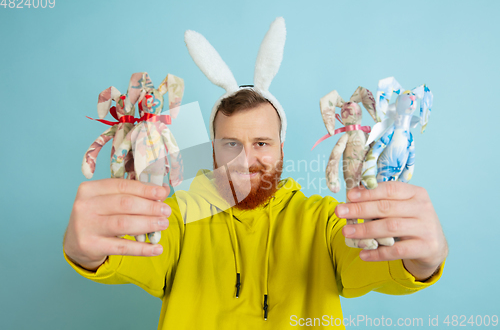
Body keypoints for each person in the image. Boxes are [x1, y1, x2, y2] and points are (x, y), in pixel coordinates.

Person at [63, 17, 447, 329]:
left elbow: (382, 262)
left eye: (261, 143)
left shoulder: (323, 221)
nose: (246, 159)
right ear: (211, 148)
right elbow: (126, 254)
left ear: (282, 146)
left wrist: (423, 260)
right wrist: (85, 252)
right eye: (230, 144)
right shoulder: (175, 216)